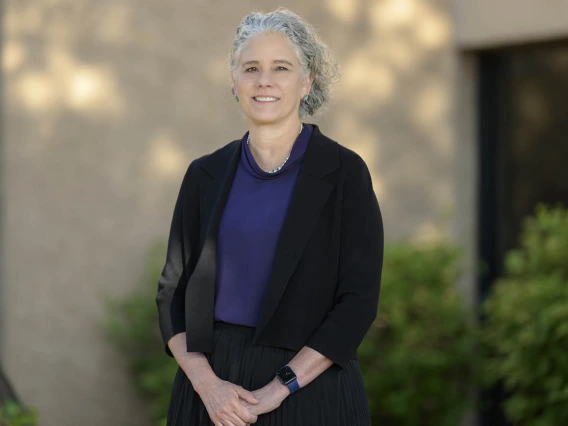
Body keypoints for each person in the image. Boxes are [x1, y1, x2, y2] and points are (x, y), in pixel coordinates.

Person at [156, 7, 384, 426]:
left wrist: (278, 389)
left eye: (281, 67)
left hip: (312, 391)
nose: (264, 81)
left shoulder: (345, 173)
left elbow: (358, 301)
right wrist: (209, 387)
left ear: (306, 80)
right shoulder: (204, 174)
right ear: (233, 79)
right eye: (251, 68)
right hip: (211, 394)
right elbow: (173, 296)